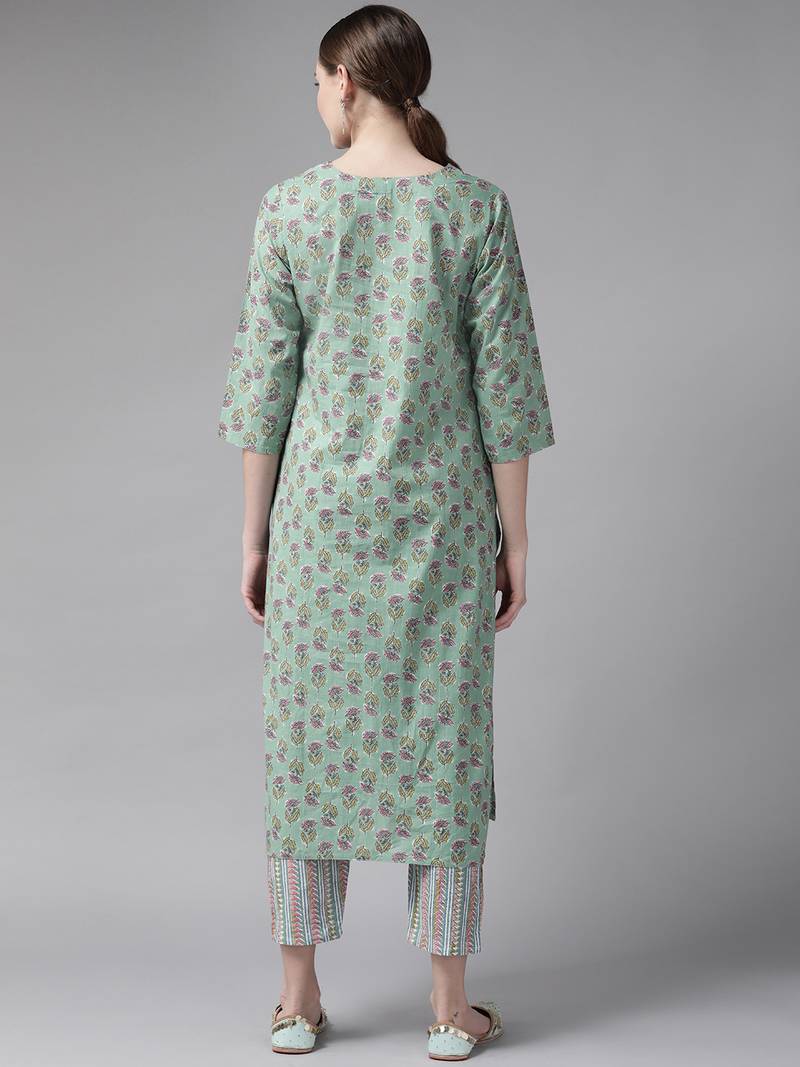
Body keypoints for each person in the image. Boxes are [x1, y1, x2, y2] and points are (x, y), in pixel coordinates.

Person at [217, 4, 555, 1059]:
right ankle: (450, 1009)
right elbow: (506, 393)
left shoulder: (290, 208)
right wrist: (515, 543)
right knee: (443, 750)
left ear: (347, 82)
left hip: (317, 525)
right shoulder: (474, 209)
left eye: (317, 82)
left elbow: (262, 390)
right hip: (442, 526)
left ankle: (296, 999)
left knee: (303, 751)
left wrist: (254, 538)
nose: (316, 98)